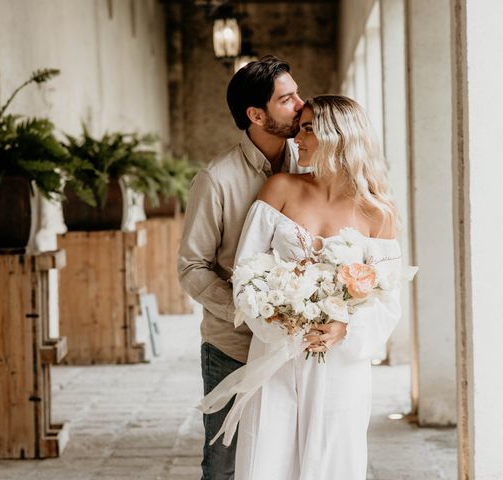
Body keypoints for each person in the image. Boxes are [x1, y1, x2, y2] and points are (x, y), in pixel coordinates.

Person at [200, 95, 403, 480]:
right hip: (278, 353)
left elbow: (388, 299)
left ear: (339, 135)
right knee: (268, 456)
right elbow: (246, 273)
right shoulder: (280, 189)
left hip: (342, 364)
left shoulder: (377, 211)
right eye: (299, 128)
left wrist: (345, 329)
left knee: (333, 459)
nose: (298, 139)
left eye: (308, 128)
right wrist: (284, 322)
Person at [178, 56, 307, 479]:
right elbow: (192, 266)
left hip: (295, 348)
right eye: (287, 99)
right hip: (232, 347)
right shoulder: (216, 180)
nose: (301, 105)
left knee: (285, 458)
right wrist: (246, 309)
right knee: (224, 465)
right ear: (256, 114)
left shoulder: (311, 165)